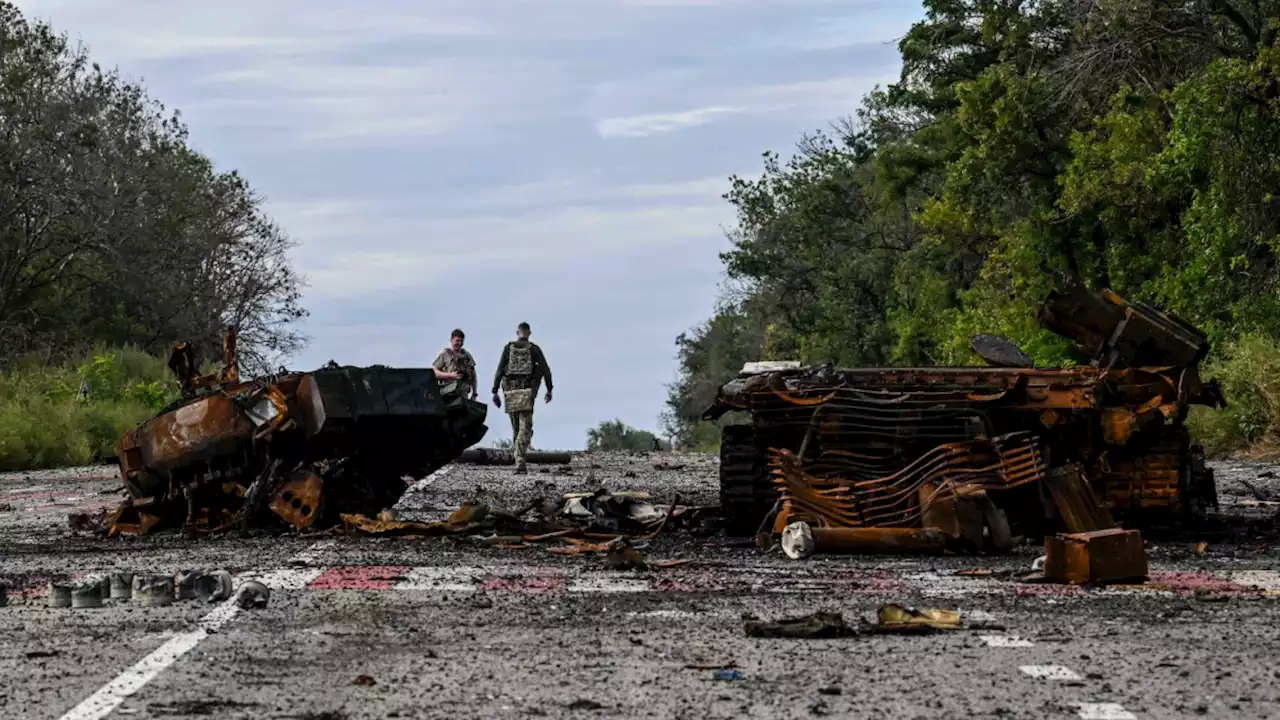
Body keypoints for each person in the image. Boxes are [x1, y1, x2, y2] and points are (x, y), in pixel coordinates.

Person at [491, 321, 552, 474]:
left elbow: (499, 370)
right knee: (525, 427)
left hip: (510, 392)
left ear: (517, 332)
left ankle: (519, 458)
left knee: (516, 427)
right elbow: (545, 370)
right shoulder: (534, 349)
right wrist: (549, 389)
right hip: (526, 392)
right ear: (529, 333)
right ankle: (520, 459)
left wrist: (494, 391)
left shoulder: (508, 348)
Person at [432, 328, 477, 399]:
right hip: (447, 394)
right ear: (451, 340)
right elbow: (434, 372)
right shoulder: (445, 354)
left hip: (463, 394)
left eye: (461, 341)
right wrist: (450, 375)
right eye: (457, 341)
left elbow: (473, 376)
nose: (459, 343)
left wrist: (474, 393)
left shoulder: (467, 356)